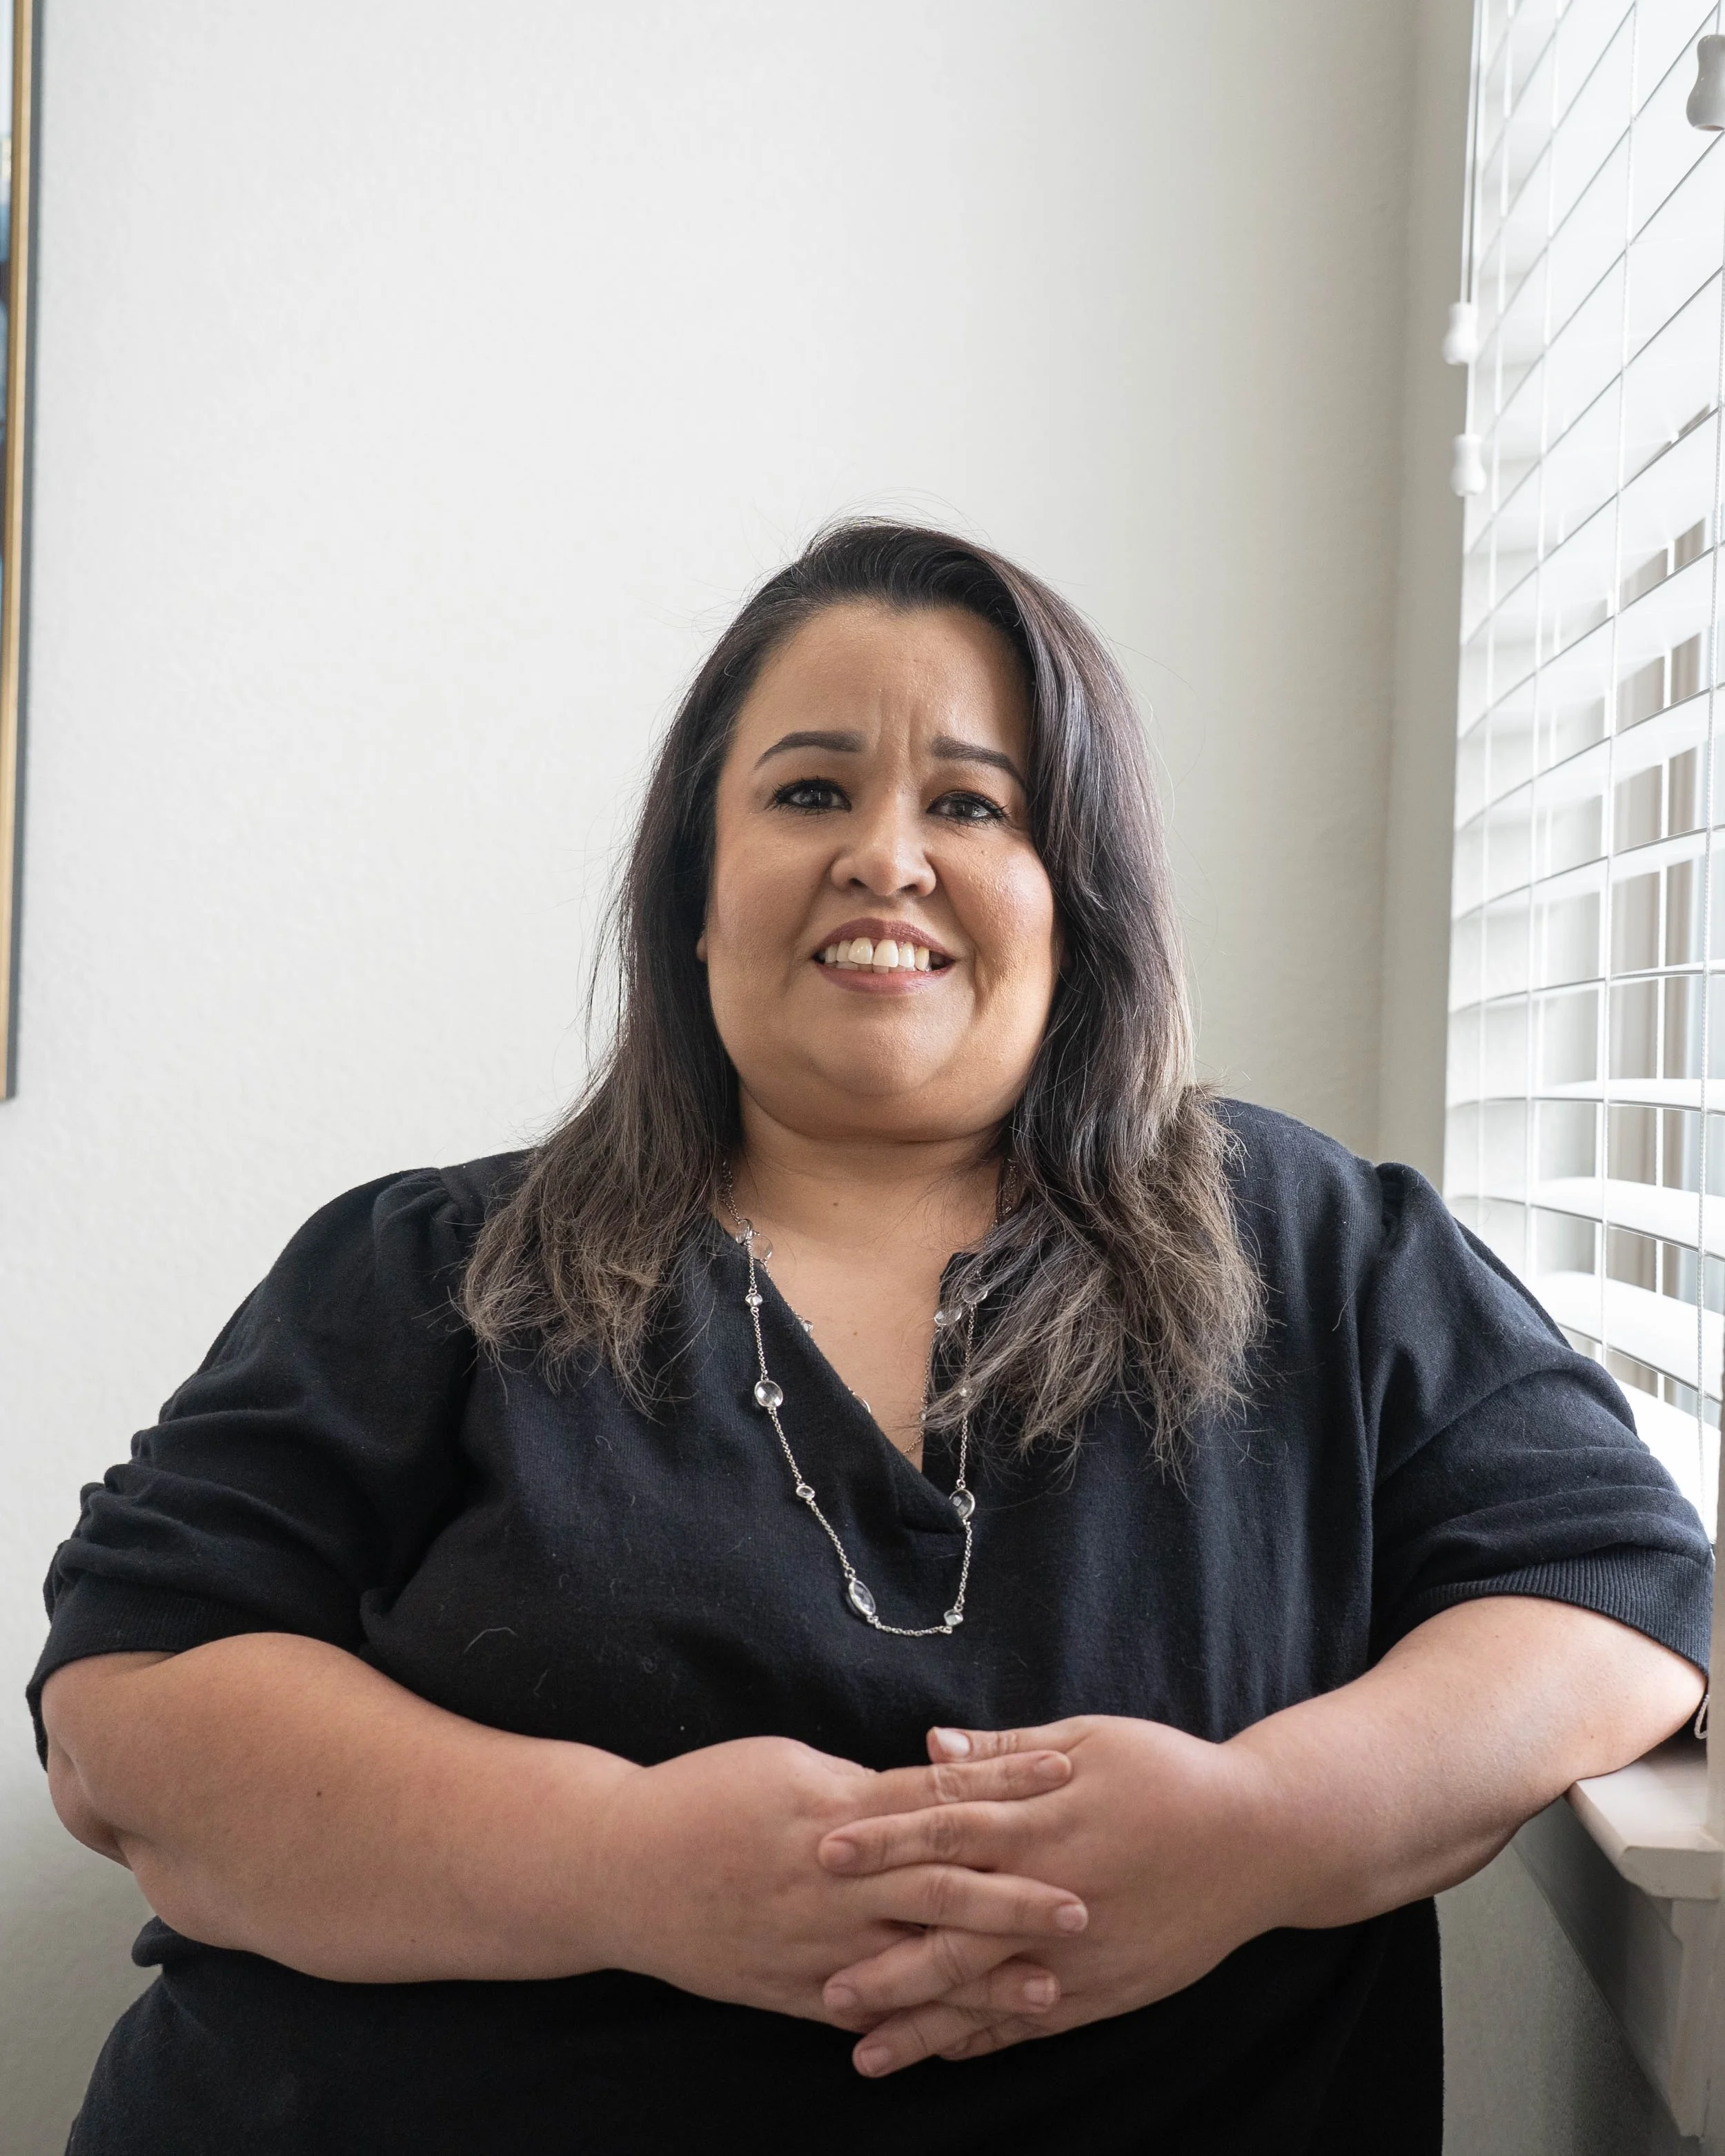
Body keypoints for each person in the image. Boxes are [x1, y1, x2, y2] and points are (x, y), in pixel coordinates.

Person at [33, 521, 1710, 2155]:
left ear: (1078, 903)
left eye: (969, 803)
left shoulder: (1318, 1244)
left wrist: (1262, 1828)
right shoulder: (425, 1269)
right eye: (808, 793)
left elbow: (1611, 1594)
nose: (885, 857)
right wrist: (619, 1860)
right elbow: (130, 1716)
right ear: (696, 897)